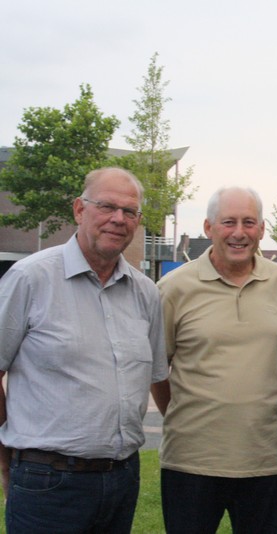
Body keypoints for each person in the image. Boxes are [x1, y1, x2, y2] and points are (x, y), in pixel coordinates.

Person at [0, 167, 167, 533]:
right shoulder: (29, 279)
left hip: (122, 477)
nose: (118, 219)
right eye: (107, 206)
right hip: (48, 481)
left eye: (130, 212)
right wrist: (6, 462)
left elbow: (157, 375)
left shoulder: (146, 293)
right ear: (79, 209)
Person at [153, 186, 277, 533]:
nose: (239, 233)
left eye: (249, 222)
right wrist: (187, 416)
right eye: (228, 222)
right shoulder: (173, 288)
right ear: (208, 228)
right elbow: (158, 370)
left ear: (262, 230)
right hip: (190, 462)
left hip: (264, 460)